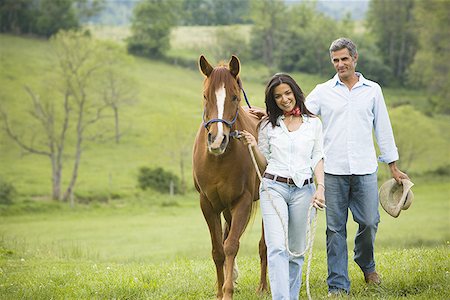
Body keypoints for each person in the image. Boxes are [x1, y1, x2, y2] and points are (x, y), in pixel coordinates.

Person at [305, 37, 410, 296]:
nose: (340, 64)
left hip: (365, 170)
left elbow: (383, 129)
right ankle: (338, 285)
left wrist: (393, 167)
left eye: (344, 59)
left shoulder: (372, 90)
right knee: (334, 230)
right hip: (332, 172)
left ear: (355, 58)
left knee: (370, 221)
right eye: (335, 60)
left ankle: (365, 262)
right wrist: (269, 112)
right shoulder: (322, 91)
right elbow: (300, 115)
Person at [240, 73, 326, 300]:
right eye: (278, 96)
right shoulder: (268, 125)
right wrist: (253, 146)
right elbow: (264, 162)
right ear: (273, 100)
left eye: (287, 93)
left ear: (295, 93)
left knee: (296, 251)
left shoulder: (313, 124)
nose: (284, 99)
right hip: (273, 188)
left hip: (303, 190)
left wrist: (320, 187)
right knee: (276, 247)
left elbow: (317, 156)